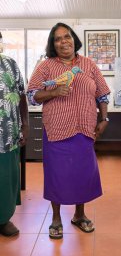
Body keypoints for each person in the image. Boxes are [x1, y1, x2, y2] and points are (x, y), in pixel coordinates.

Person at [27, 23, 110, 239]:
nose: (64, 41)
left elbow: (102, 94)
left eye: (67, 36)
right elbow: (32, 95)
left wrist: (105, 117)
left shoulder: (89, 64)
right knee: (57, 174)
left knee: (83, 173)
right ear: (52, 44)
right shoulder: (46, 66)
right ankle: (56, 218)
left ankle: (79, 216)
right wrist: (53, 92)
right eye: (58, 39)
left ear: (74, 39)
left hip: (84, 129)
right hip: (56, 129)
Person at [0, 32, 29, 236]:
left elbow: (21, 95)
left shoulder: (10, 64)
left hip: (7, 135)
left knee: (6, 178)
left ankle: (3, 219)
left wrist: (25, 124)